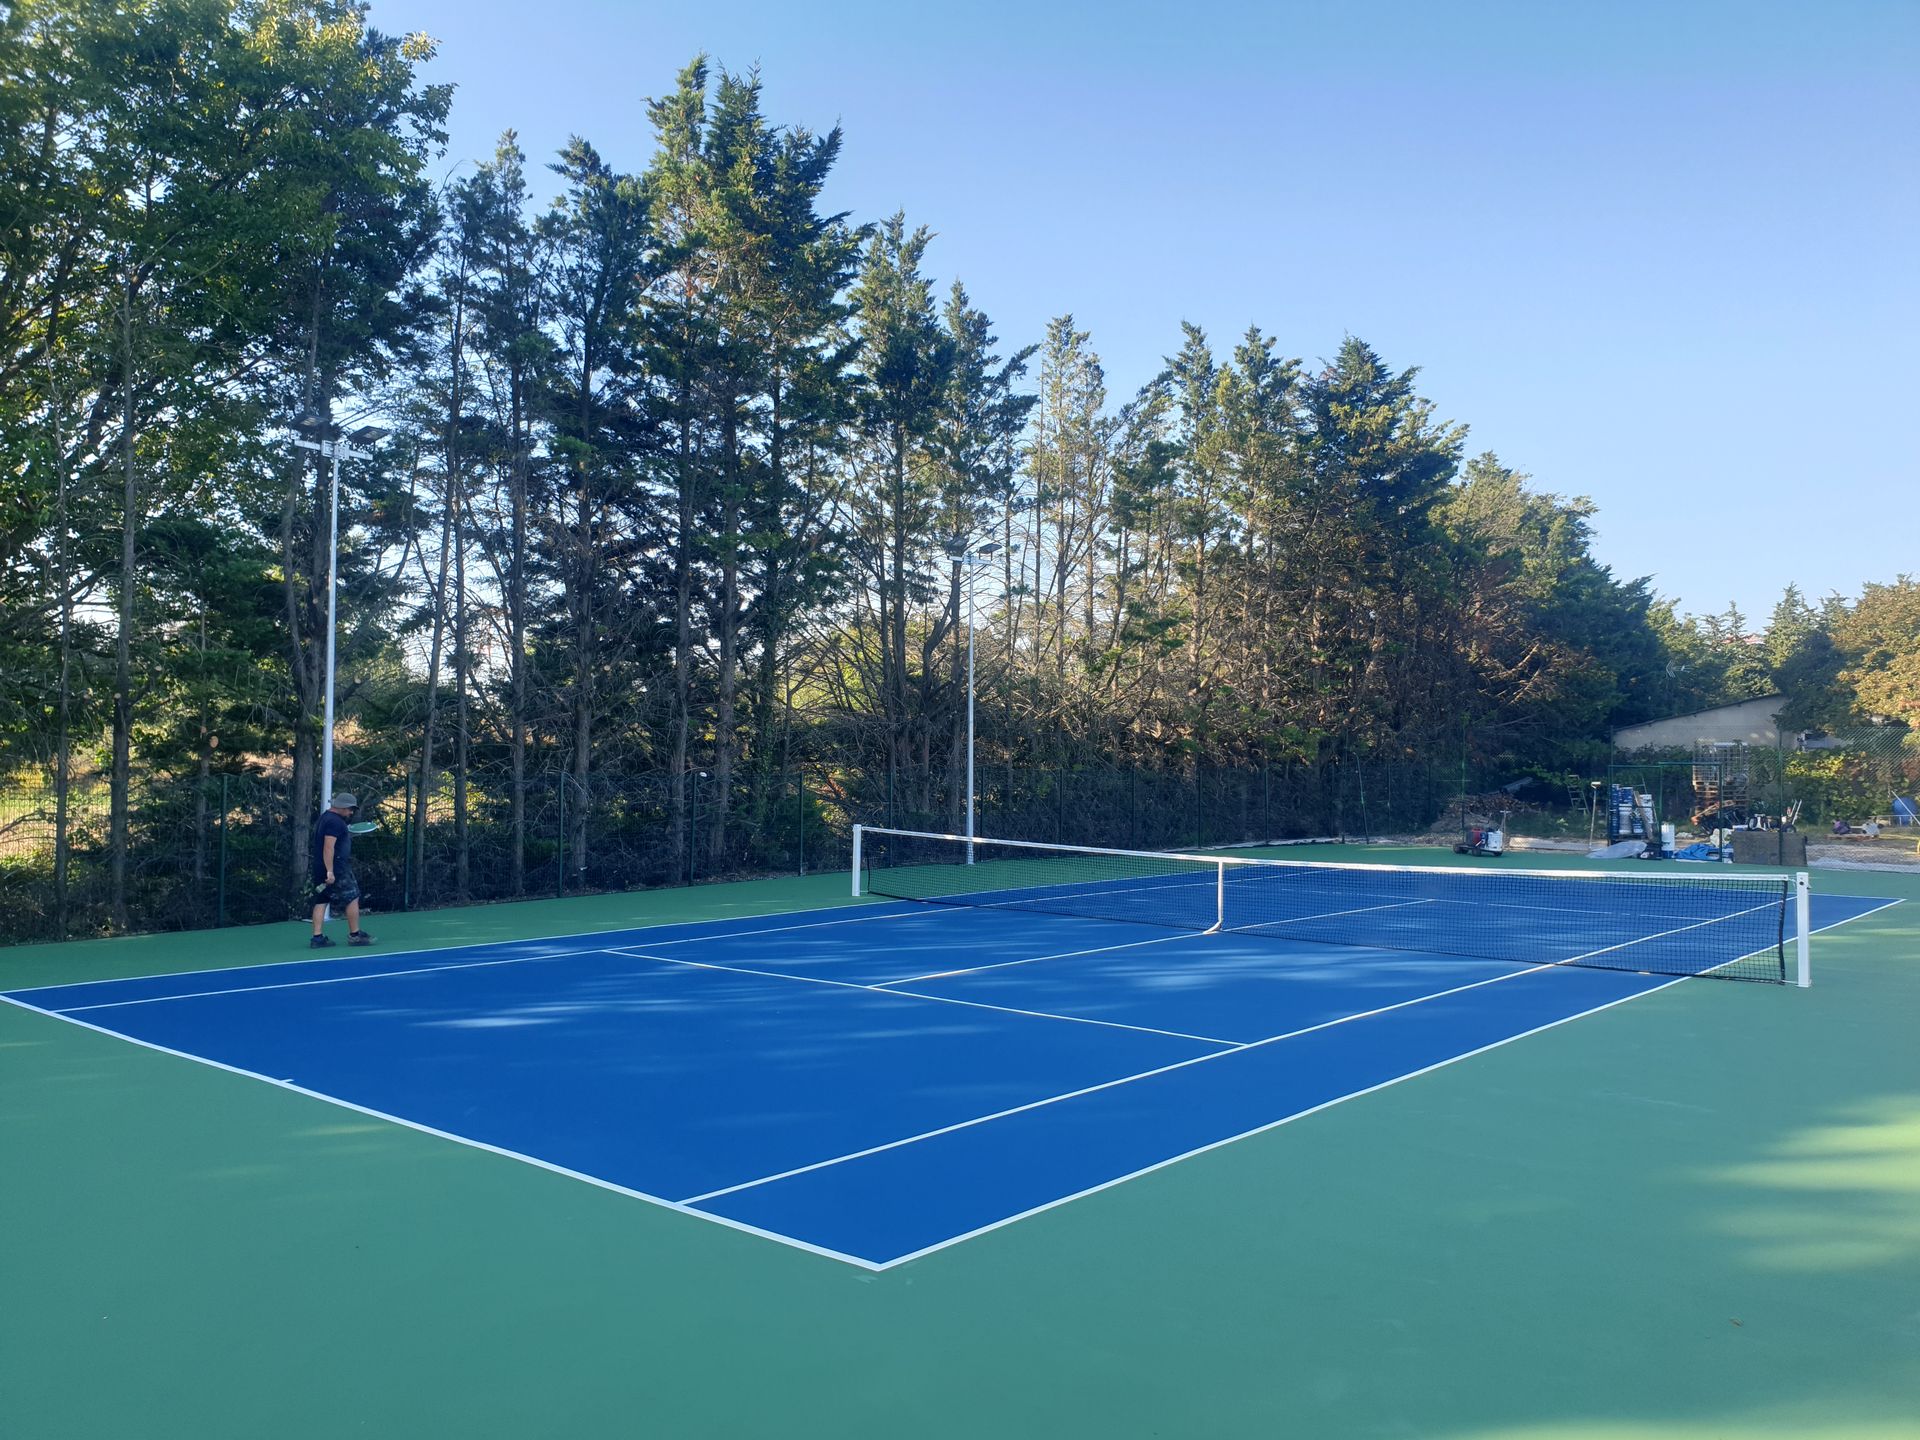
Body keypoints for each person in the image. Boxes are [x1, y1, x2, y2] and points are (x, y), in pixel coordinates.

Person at [310, 793, 373, 948]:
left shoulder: (325, 817)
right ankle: (355, 935)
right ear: (343, 807)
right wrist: (330, 872)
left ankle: (317, 938)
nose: (351, 812)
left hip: (319, 866)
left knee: (322, 899)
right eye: (350, 809)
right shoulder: (335, 822)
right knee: (352, 896)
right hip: (336, 869)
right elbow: (328, 847)